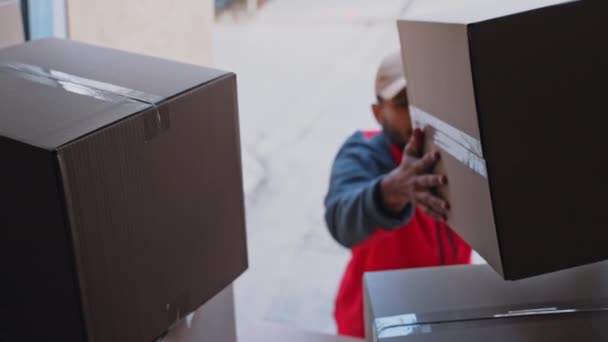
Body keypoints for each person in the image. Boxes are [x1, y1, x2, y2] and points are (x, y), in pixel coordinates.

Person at [324, 52, 472, 338]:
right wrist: (391, 191)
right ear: (378, 113)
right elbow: (341, 221)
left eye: (426, 98)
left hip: (451, 319)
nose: (418, 113)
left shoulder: (459, 153)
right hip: (373, 325)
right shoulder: (363, 152)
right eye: (404, 103)